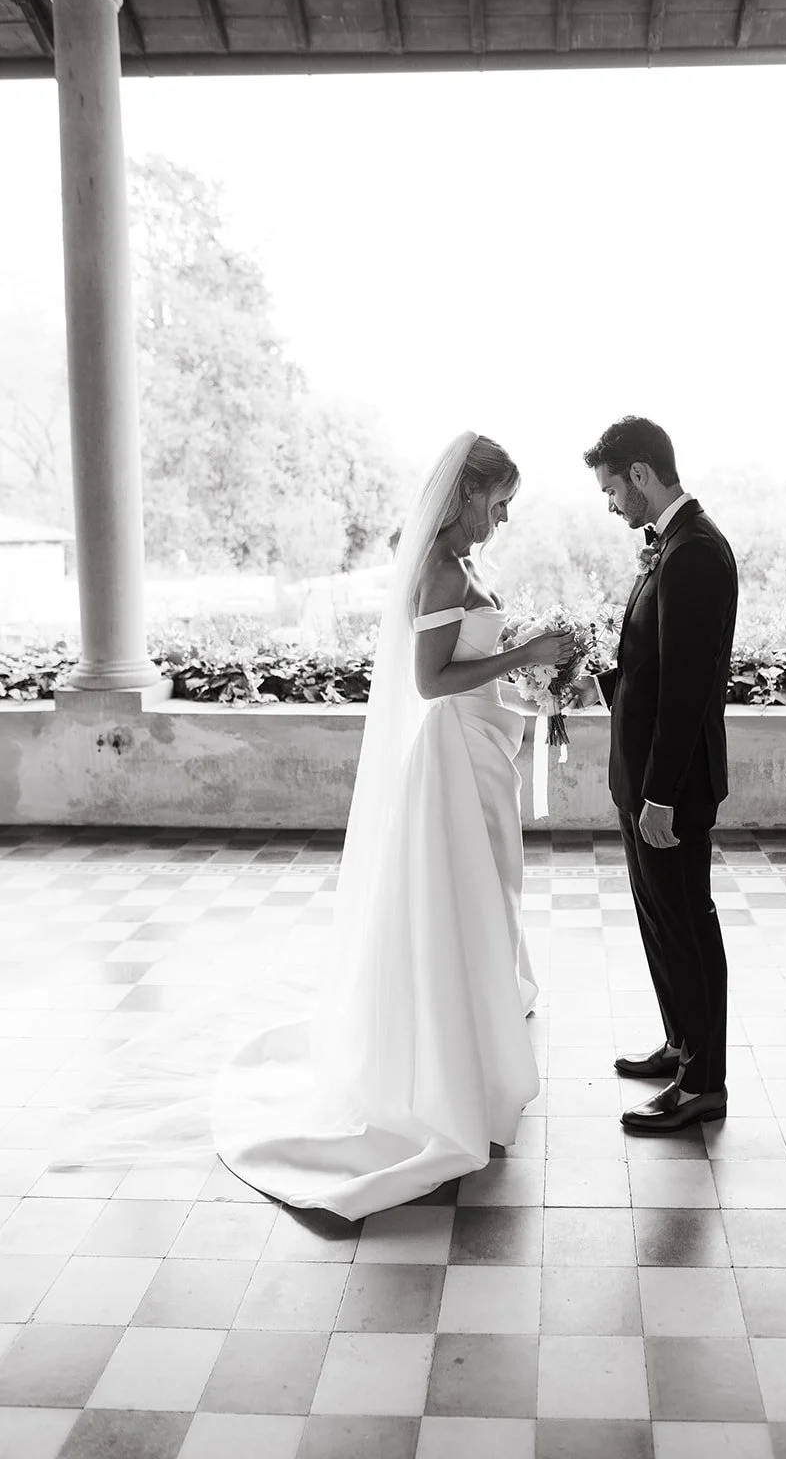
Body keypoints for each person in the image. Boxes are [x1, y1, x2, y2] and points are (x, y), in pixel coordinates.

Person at [58, 432, 573, 1219]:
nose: (501, 518)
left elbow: (469, 651)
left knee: (485, 900)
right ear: (465, 493)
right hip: (450, 756)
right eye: (497, 502)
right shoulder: (438, 567)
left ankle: (471, 1041)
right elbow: (429, 682)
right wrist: (523, 653)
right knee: (460, 904)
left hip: (480, 749)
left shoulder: (465, 567)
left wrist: (535, 662)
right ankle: (445, 1066)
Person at [571, 416, 738, 1134]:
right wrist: (592, 678)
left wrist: (660, 795)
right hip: (640, 776)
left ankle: (703, 1082)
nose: (610, 504)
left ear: (640, 474)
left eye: (612, 489)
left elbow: (688, 688)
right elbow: (653, 667)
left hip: (667, 785)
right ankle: (680, 1044)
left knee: (686, 924)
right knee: (659, 921)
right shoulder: (668, 545)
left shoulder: (693, 552)